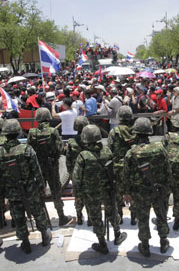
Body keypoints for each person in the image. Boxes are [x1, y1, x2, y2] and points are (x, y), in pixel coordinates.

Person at [0, 119, 52, 254]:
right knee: (38, 211)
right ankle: (44, 235)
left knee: (18, 216)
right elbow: (36, 170)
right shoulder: (26, 149)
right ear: (18, 132)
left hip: (12, 190)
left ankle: (25, 243)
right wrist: (41, 186)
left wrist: (4, 191)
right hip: (30, 188)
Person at [72, 124, 127, 254]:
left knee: (95, 216)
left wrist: (78, 194)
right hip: (108, 189)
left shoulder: (83, 156)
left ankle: (102, 243)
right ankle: (117, 234)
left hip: (90, 193)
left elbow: (76, 178)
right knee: (112, 211)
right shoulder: (107, 151)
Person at [124, 117, 172, 257]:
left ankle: (145, 246)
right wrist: (167, 188)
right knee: (162, 215)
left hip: (140, 192)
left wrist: (127, 193)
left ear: (136, 133)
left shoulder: (131, 152)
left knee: (143, 218)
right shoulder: (160, 148)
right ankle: (163, 242)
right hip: (159, 190)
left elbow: (126, 176)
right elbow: (167, 170)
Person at [28, 107, 72, 226]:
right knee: (56, 191)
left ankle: (42, 220)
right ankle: (61, 217)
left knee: (40, 191)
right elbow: (59, 149)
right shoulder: (53, 131)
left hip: (38, 166)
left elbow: (29, 150)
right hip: (52, 165)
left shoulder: (32, 132)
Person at [107, 106, 137, 225]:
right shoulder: (135, 131)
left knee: (117, 192)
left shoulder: (114, 132)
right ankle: (134, 217)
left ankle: (119, 216)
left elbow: (109, 150)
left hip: (118, 167)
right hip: (133, 166)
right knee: (133, 191)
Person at [65, 116, 90, 225]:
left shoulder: (71, 142)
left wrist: (70, 173)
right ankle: (91, 218)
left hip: (76, 173)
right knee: (89, 195)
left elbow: (68, 160)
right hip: (89, 172)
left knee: (78, 195)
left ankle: (79, 217)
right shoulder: (90, 140)